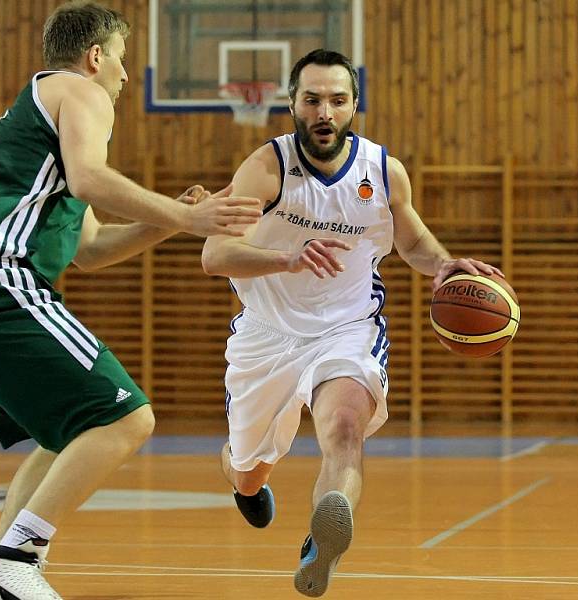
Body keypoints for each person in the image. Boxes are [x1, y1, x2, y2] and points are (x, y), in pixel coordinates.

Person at [0, 3, 261, 599]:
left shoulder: (35, 125)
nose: (126, 77)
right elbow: (89, 180)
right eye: (123, 61)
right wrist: (188, 214)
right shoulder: (77, 90)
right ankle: (12, 560)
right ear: (95, 57)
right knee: (127, 417)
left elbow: (91, 249)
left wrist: (175, 223)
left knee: (67, 435)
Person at [201, 49, 502, 597]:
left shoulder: (382, 172)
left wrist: (443, 265)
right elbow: (215, 255)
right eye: (312, 100)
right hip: (265, 335)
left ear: (354, 106)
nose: (325, 112)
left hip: (346, 327)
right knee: (249, 470)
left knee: (343, 429)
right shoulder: (266, 167)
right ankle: (241, 476)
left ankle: (323, 543)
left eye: (337, 101)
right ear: (292, 104)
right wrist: (287, 259)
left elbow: (410, 239)